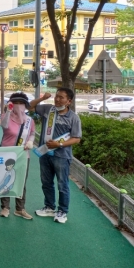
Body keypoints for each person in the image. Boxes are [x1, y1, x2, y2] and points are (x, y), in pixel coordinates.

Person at [30, 88, 82, 224]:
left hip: (62, 156)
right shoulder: (48, 109)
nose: (57, 99)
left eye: (61, 97)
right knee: (46, 182)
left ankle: (62, 211)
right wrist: (42, 98)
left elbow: (76, 138)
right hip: (45, 152)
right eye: (56, 96)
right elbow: (30, 106)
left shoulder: (73, 118)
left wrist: (59, 145)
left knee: (62, 184)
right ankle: (49, 207)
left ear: (69, 101)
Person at [0, 93, 36, 220]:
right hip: (7, 154)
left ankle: (20, 209)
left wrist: (30, 142)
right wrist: (8, 111)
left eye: (22, 103)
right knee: (6, 180)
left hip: (23, 155)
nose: (19, 106)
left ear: (25, 105)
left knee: (21, 181)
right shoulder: (6, 116)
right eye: (16, 103)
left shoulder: (30, 121)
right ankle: (5, 207)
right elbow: (4, 125)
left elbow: (32, 134)